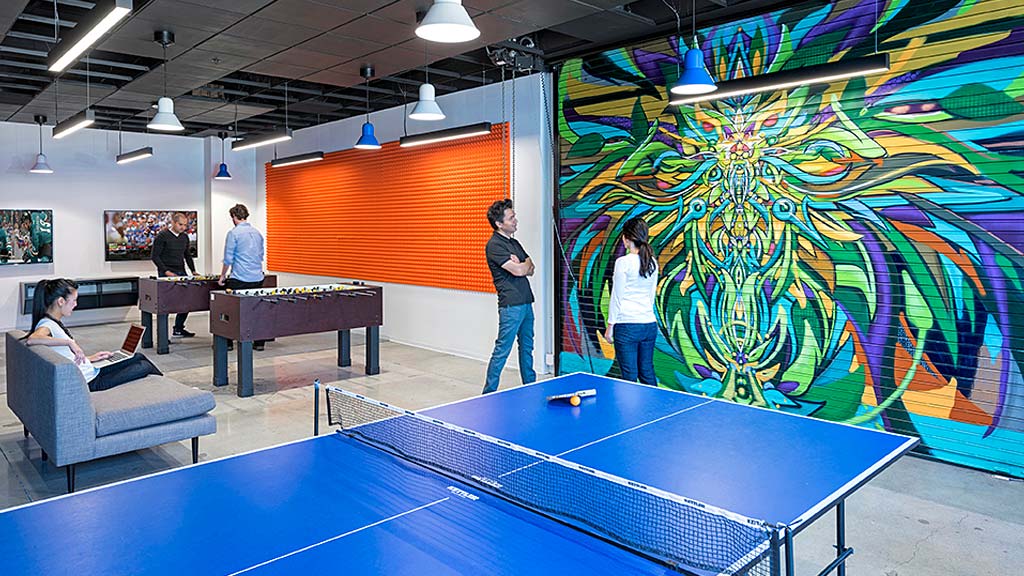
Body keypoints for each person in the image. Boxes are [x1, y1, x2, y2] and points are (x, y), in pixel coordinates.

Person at [25, 278, 161, 392]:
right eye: (74, 301)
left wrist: (91, 358)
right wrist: (69, 342)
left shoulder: (52, 322)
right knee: (144, 366)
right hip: (92, 382)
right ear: (61, 301)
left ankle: (168, 389)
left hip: (91, 371)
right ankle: (168, 391)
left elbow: (67, 358)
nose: (75, 305)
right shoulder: (46, 324)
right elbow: (32, 339)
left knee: (138, 356)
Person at [483, 199, 537, 394]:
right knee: (502, 351)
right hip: (511, 306)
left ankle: (530, 387)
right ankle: (488, 393)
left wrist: (524, 265)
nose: (516, 220)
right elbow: (518, 270)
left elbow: (530, 267)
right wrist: (521, 266)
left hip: (526, 302)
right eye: (511, 218)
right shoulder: (494, 245)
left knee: (527, 348)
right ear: (499, 223)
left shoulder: (514, 242)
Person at [604, 217, 659, 385]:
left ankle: (629, 411)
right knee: (647, 372)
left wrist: (610, 326)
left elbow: (617, 296)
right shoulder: (652, 262)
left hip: (627, 326)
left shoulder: (623, 262)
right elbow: (651, 296)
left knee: (629, 376)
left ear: (625, 239)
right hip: (649, 324)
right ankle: (656, 410)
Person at [218, 204, 267, 351]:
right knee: (255, 310)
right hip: (257, 278)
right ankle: (259, 343)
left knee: (229, 310)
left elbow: (228, 259)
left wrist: (222, 276)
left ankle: (227, 343)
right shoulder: (257, 233)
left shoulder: (233, 233)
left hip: (239, 279)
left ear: (234, 217)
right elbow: (261, 255)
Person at [151, 212, 198, 337]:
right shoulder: (162, 236)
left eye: (185, 225)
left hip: (181, 271)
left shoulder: (184, 237)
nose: (183, 227)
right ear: (173, 222)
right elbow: (155, 256)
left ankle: (178, 328)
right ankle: (163, 336)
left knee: (186, 302)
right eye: (180, 224)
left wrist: (193, 271)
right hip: (166, 272)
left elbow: (187, 255)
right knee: (165, 304)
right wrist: (166, 271)